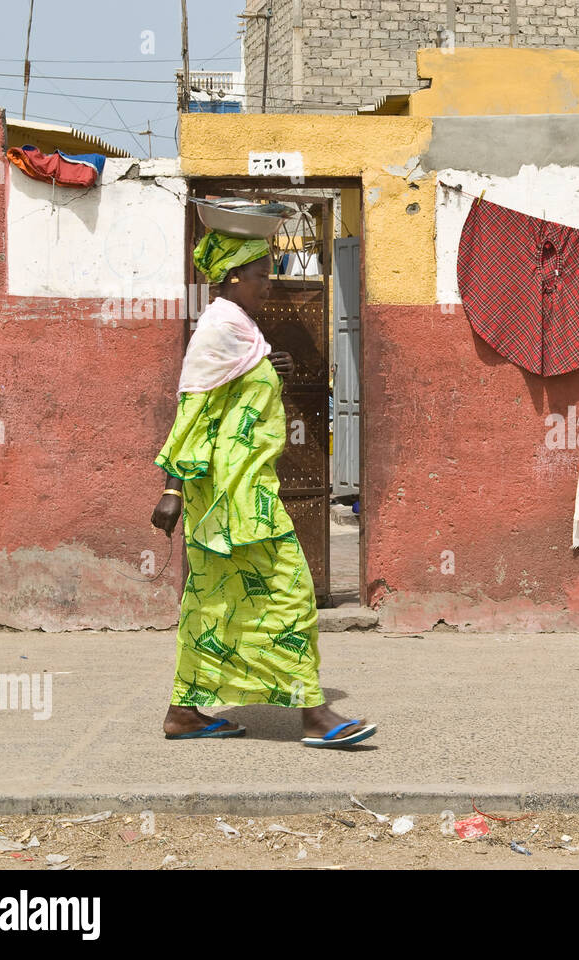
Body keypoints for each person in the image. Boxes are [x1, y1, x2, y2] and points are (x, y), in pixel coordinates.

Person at [150, 228, 376, 747]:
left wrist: (268, 369)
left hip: (241, 486)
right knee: (290, 592)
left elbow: (230, 392)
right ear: (233, 277)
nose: (268, 285)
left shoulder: (239, 328)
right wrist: (173, 489)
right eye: (260, 276)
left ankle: (184, 712)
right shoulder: (218, 328)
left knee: (214, 602)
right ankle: (316, 716)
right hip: (233, 493)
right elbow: (194, 410)